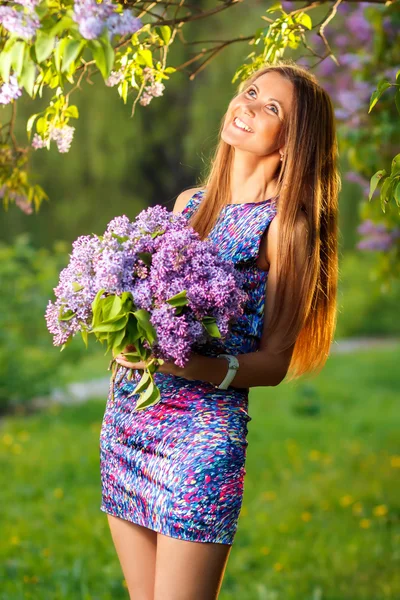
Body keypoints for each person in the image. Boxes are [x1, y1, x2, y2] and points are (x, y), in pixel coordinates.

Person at [99, 59, 340, 600]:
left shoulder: (285, 227)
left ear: (293, 138)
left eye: (271, 107)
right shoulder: (189, 204)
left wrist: (186, 364)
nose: (248, 107)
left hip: (201, 438)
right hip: (129, 424)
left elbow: (275, 362)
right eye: (250, 91)